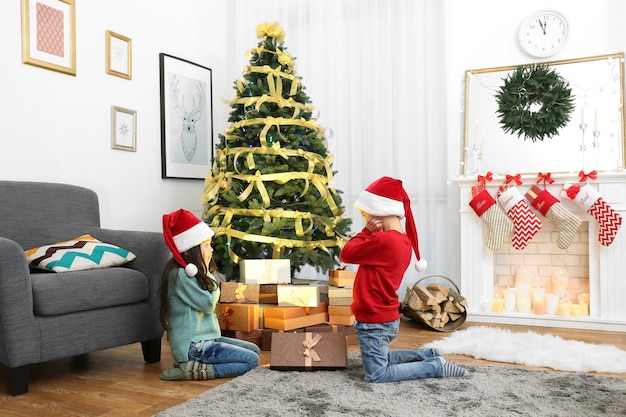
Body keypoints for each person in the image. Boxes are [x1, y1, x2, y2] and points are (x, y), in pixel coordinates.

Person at [339, 176, 469, 382]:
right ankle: (428, 355)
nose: (365, 219)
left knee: (377, 374)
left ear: (378, 211)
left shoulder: (382, 240)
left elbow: (346, 253)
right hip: (384, 317)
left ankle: (434, 366)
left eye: (365, 214)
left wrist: (366, 231)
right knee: (381, 359)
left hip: (374, 320)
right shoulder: (401, 241)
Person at [159, 208, 260, 381]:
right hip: (194, 346)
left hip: (209, 339)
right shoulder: (182, 275)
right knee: (252, 361)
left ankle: (193, 367)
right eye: (206, 245)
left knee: (254, 350)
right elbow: (208, 304)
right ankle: (191, 369)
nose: (211, 250)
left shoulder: (193, 273)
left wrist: (205, 274)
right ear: (190, 250)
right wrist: (208, 276)